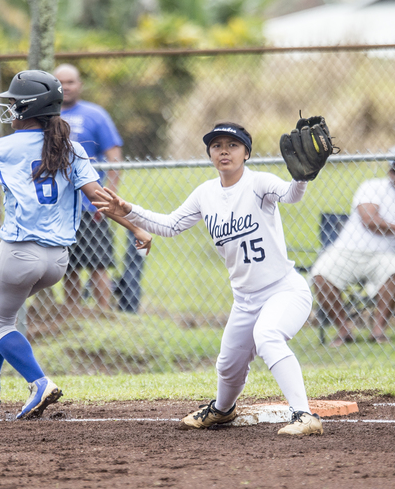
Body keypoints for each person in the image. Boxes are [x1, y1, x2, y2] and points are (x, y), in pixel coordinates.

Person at [93, 122, 323, 436]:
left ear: (246, 153)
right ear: (210, 154)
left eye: (232, 145)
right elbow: (170, 225)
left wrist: (302, 176)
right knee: (228, 365)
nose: (224, 151)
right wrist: (129, 210)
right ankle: (223, 411)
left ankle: (305, 416)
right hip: (245, 300)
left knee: (268, 335)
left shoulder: (259, 183)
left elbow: (291, 195)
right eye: (217, 146)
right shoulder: (206, 194)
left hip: (283, 290)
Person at [0, 70, 152, 419]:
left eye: (14, 104)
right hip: (58, 261)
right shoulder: (69, 147)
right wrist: (136, 228)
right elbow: (99, 197)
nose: (10, 109)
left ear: (29, 108)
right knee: (2, 315)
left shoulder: (3, 147)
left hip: (19, 252)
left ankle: (39, 382)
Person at [311, 145, 395, 346]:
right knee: (321, 273)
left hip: (388, 253)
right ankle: (344, 330)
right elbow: (369, 220)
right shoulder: (372, 186)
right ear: (389, 170)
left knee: (394, 270)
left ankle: (378, 331)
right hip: (349, 250)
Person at [54, 63, 145, 311]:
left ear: (80, 85)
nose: (65, 87)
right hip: (59, 206)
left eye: (70, 82)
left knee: (98, 262)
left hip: (91, 204)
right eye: (60, 82)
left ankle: (103, 314)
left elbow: (115, 159)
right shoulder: (48, 117)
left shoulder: (95, 115)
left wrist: (108, 199)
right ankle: (72, 315)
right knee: (68, 264)